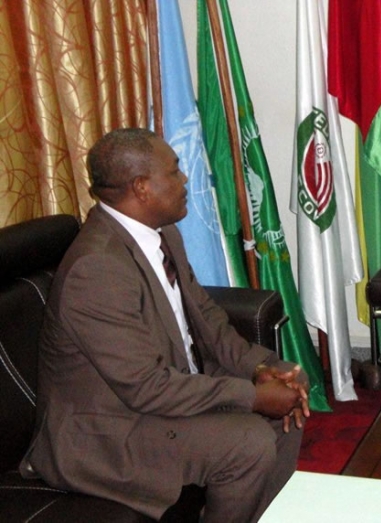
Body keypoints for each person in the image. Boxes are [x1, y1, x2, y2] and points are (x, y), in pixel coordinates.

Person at [19, 128, 310, 523]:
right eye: (174, 172)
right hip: (106, 430)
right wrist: (251, 396)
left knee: (291, 381)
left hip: (164, 391)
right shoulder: (98, 269)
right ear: (141, 188)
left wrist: (261, 369)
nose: (185, 179)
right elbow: (145, 388)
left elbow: (208, 320)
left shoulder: (162, 233)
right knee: (248, 441)